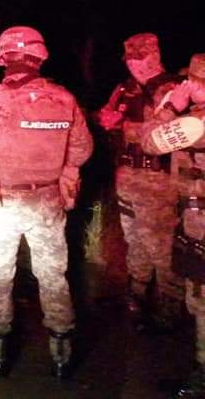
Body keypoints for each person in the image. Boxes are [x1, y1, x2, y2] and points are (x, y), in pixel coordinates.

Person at [0, 26, 93, 378]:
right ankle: (62, 360)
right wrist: (63, 173)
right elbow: (82, 149)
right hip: (47, 203)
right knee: (54, 278)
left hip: (0, 205)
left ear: (3, 58)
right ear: (39, 58)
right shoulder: (64, 99)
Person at [95, 32, 183, 330]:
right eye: (130, 60)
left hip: (158, 180)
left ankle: (170, 306)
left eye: (141, 59)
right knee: (134, 239)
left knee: (160, 243)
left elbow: (169, 133)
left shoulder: (171, 90)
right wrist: (106, 119)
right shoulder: (125, 88)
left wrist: (126, 126)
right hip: (126, 175)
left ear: (155, 56)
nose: (135, 65)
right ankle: (137, 297)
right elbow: (108, 115)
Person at [141, 53, 205, 398]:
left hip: (202, 223)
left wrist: (170, 105)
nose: (187, 85)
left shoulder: (197, 122)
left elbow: (150, 141)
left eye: (191, 81)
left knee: (202, 301)